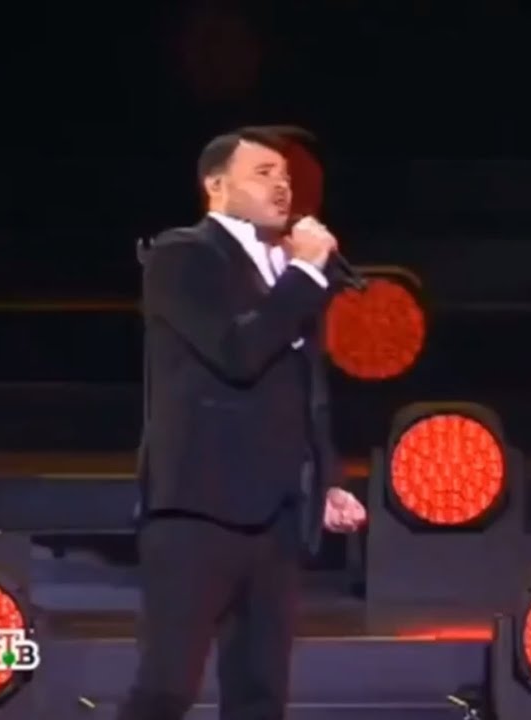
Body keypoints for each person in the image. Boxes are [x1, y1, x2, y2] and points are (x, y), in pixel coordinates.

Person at [120, 127, 368, 720]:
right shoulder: (182, 255)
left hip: (276, 514)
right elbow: (237, 351)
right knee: (167, 687)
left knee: (260, 693)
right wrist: (305, 275)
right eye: (263, 173)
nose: (282, 186)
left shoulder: (290, 269)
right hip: (196, 510)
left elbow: (306, 391)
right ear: (216, 185)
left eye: (286, 175)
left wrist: (327, 477)